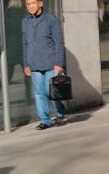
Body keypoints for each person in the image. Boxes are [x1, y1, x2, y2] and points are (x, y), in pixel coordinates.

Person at [22, 0, 67, 130]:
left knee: (51, 92)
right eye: (28, 4)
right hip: (34, 63)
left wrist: (59, 63)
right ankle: (45, 120)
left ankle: (60, 112)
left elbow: (59, 43)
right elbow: (25, 44)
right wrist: (26, 64)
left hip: (50, 62)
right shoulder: (25, 22)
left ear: (40, 3)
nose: (30, 6)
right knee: (39, 93)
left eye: (33, 3)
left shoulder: (51, 20)